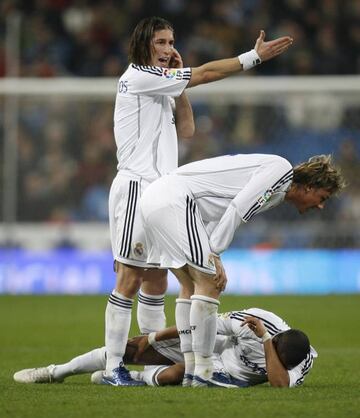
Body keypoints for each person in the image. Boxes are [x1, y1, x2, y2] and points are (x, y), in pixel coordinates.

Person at [105, 15, 294, 386]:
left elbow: (187, 129)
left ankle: (148, 360)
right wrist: (251, 58)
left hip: (160, 192)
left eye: (171, 42)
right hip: (134, 186)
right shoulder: (137, 78)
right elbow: (206, 72)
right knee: (130, 277)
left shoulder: (160, 88)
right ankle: (113, 366)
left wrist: (180, 88)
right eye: (161, 42)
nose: (168, 49)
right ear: (144, 44)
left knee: (157, 280)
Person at [139, 153, 345, 387]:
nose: (320, 205)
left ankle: (190, 369)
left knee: (190, 285)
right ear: (309, 187)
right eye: (323, 197)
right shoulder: (280, 170)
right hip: (174, 199)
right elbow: (238, 208)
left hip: (162, 199)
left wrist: (212, 250)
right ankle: (202, 372)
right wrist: (214, 252)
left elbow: (220, 211)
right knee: (210, 283)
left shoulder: (277, 192)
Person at [13, 307, 317, 388]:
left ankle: (127, 379)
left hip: (228, 375)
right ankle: (55, 372)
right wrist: (157, 336)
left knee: (177, 375)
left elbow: (279, 383)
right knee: (133, 350)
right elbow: (202, 323)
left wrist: (265, 342)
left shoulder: (301, 360)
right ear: (277, 340)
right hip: (215, 344)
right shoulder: (251, 321)